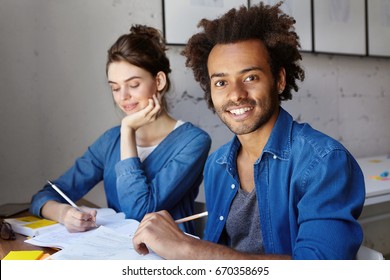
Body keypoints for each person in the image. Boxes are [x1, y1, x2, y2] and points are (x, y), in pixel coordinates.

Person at [132, 3, 365, 259]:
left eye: (250, 77)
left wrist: (187, 248)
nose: (235, 94)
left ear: (279, 80)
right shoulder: (216, 166)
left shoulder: (325, 163)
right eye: (221, 82)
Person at [30, 25, 211, 235]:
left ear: (159, 81)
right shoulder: (110, 141)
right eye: (115, 88)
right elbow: (45, 196)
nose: (122, 96)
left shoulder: (193, 142)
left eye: (133, 84)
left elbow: (139, 212)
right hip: (115, 251)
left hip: (166, 258)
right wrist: (63, 213)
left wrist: (128, 130)